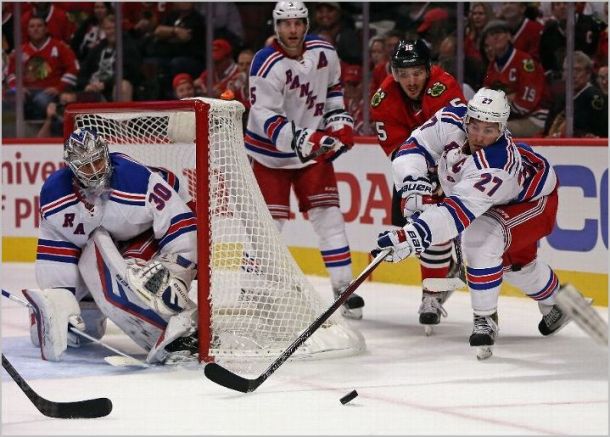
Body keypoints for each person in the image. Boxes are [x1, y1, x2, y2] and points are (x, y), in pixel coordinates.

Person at [374, 88, 566, 359]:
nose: (478, 136)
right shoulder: (452, 117)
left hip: (533, 201)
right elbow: (414, 146)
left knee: (480, 241)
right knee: (513, 266)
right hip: (492, 199)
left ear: (502, 128)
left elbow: (457, 213)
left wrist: (413, 236)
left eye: (489, 130)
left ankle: (485, 319)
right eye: (474, 126)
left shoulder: (498, 162)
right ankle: (559, 302)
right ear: (467, 118)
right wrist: (412, 181)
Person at [27, 128, 199, 364]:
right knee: (86, 328)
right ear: (72, 168)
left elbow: (179, 221)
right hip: (116, 236)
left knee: (140, 278)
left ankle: (186, 328)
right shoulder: (55, 195)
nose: (95, 170)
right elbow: (57, 246)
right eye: (86, 166)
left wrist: (178, 272)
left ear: (106, 154)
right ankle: (89, 310)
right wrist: (61, 299)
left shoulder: (137, 181)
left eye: (98, 161)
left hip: (171, 217)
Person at [245, 1, 363, 319]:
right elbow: (265, 115)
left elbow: (333, 89)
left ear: (306, 24)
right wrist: (305, 139)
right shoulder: (265, 63)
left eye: (298, 23)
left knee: (330, 219)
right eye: (286, 24)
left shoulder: (325, 52)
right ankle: (255, 291)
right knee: (269, 227)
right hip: (271, 156)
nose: (292, 30)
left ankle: (344, 288)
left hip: (313, 152)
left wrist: (340, 122)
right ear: (276, 26)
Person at [369, 39, 465, 333]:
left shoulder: (444, 86)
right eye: (404, 73)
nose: (411, 81)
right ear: (394, 73)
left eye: (417, 72)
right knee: (421, 220)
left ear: (428, 69)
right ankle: (433, 292)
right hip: (413, 169)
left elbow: (458, 137)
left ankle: (435, 291)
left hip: (456, 166)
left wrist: (442, 176)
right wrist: (420, 181)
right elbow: (399, 152)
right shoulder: (383, 99)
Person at [482, 20, 547, 137]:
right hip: (510, 117)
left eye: (500, 32)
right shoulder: (492, 66)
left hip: (535, 117)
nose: (496, 37)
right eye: (491, 34)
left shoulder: (525, 61)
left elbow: (526, 103)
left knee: (492, 130)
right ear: (486, 41)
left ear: (509, 37)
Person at [6, 15, 79, 119]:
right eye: (32, 26)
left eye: (39, 26)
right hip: (26, 90)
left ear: (46, 29)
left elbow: (73, 69)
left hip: (50, 91)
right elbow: (10, 74)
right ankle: (12, 133)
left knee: (41, 100)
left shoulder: (60, 47)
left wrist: (59, 88)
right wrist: (17, 87)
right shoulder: (19, 50)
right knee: (10, 98)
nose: (35, 29)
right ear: (27, 31)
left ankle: (45, 131)